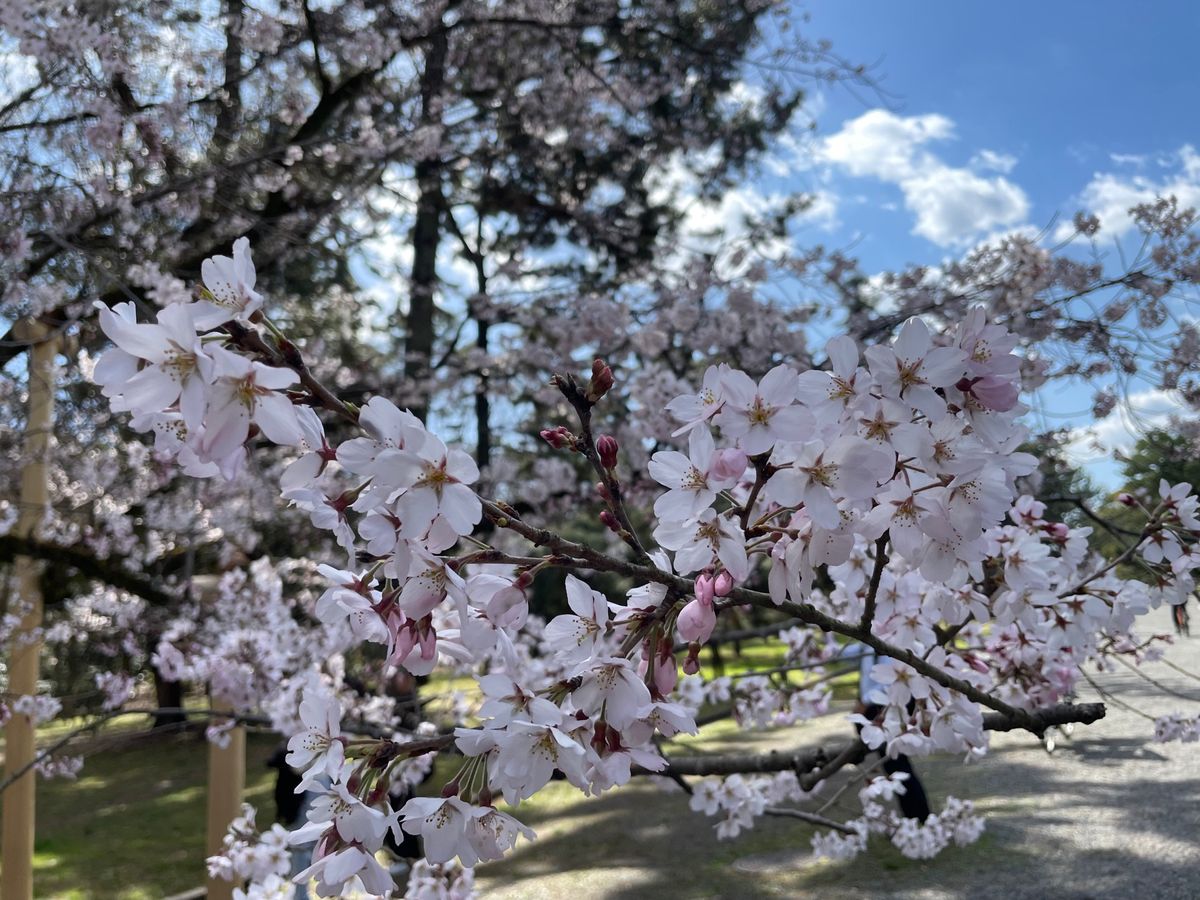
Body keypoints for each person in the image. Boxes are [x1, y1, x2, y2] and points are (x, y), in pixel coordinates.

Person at [838, 643, 931, 821]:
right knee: (892, 766)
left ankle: (919, 815)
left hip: (882, 707)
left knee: (897, 765)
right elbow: (844, 654)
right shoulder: (866, 644)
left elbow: (892, 682)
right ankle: (914, 815)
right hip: (872, 711)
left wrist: (864, 701)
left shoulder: (892, 644)